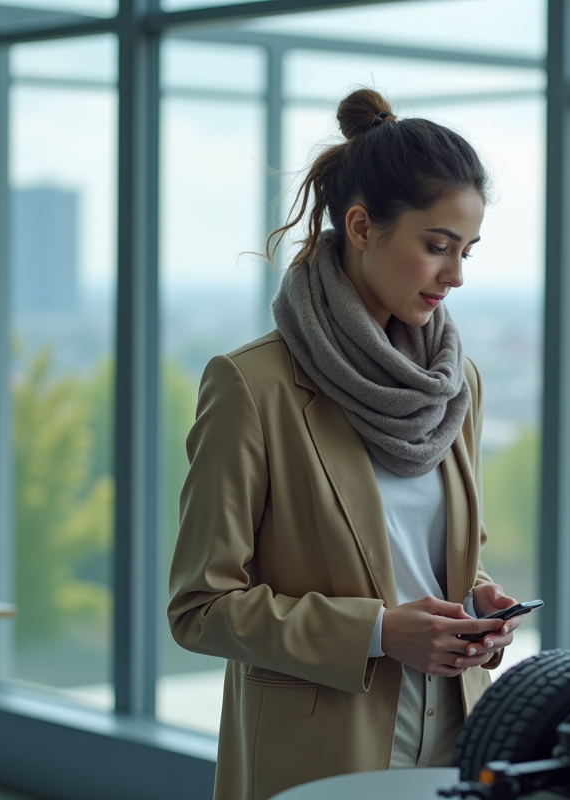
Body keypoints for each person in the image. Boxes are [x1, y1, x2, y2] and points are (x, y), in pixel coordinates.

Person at [167, 88, 523, 800]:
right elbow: (199, 608)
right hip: (320, 750)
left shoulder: (457, 383)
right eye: (436, 246)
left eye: (467, 251)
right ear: (361, 226)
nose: (455, 275)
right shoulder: (251, 386)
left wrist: (480, 605)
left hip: (457, 729)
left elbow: (440, 554)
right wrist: (378, 632)